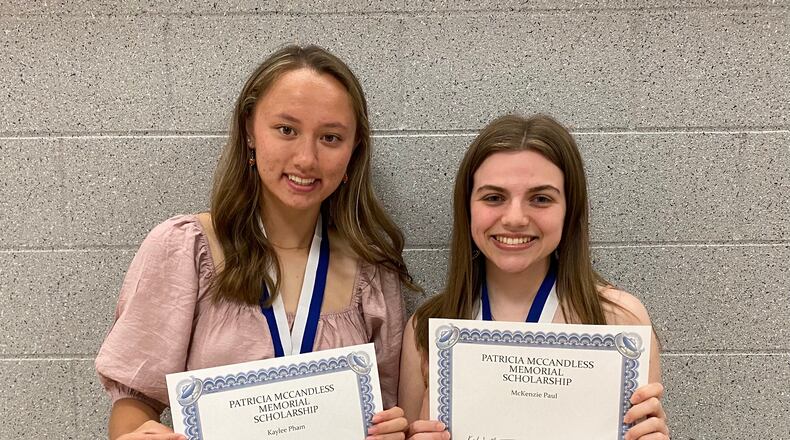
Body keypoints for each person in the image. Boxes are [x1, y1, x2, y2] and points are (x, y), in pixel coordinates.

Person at [96, 45, 415, 440]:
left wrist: (391, 431)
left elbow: (388, 410)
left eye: (331, 137)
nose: (306, 158)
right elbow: (132, 406)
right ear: (250, 129)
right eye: (286, 130)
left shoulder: (372, 271)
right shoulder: (185, 250)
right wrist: (138, 434)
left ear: (353, 151)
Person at [399, 114, 670, 440]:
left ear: (569, 209)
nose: (514, 218)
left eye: (541, 198)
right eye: (493, 197)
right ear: (467, 207)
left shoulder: (620, 321)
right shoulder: (427, 328)